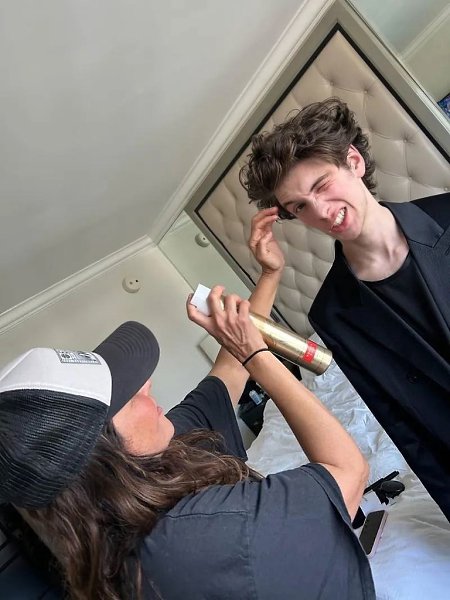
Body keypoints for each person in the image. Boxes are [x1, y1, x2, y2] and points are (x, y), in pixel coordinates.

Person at [0, 225, 374, 600]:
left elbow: (229, 372)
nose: (147, 385)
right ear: (104, 458)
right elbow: (348, 473)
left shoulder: (150, 471)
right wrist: (258, 357)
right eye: (128, 396)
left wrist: (269, 276)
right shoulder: (197, 541)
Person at [239, 97, 450, 521]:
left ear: (353, 161)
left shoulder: (447, 214)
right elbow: (403, 426)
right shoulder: (331, 313)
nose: (320, 212)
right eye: (300, 207)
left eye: (321, 185)